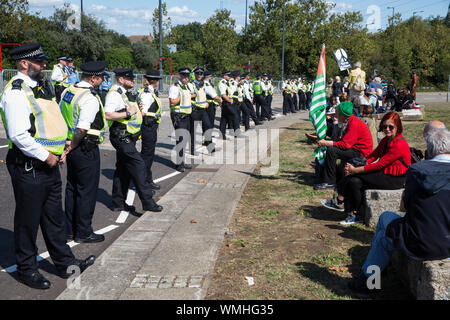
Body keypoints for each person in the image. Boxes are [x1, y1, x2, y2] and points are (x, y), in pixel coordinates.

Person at [0, 43, 95, 289]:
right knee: (28, 221)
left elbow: (49, 121)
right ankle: (27, 270)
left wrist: (62, 145)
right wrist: (47, 156)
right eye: (39, 62)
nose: (44, 65)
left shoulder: (40, 88)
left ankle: (64, 263)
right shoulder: (16, 92)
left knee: (54, 219)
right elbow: (19, 135)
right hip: (30, 165)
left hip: (49, 163)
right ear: (24, 63)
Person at [348, 128, 450, 297]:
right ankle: (376, 271)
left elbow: (406, 206)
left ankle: (370, 280)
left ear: (430, 149)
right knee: (386, 223)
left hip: (421, 242)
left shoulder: (417, 171)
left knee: (385, 227)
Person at [322, 112, 410, 225]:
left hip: (394, 179)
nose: (387, 129)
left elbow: (380, 164)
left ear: (398, 127)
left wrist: (355, 170)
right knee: (354, 182)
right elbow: (373, 156)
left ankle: (339, 200)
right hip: (384, 174)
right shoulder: (385, 140)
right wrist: (361, 163)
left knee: (353, 175)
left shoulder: (399, 144)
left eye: (391, 127)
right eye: (384, 126)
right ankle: (355, 214)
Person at [59, 61, 108, 243]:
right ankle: (83, 231)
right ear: (93, 78)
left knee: (72, 188)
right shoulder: (89, 98)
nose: (103, 80)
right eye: (101, 77)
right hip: (84, 148)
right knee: (86, 191)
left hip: (71, 147)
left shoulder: (69, 91)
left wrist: (67, 146)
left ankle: (69, 229)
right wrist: (72, 146)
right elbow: (81, 129)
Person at [105, 68, 162, 212]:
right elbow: (108, 114)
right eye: (129, 78)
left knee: (122, 169)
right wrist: (128, 112)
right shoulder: (115, 94)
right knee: (139, 166)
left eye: (133, 78)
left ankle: (118, 202)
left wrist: (138, 110)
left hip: (128, 136)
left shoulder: (125, 94)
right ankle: (147, 201)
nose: (133, 81)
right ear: (121, 80)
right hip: (121, 136)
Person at [314, 101, 373, 190]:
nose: (336, 115)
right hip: (355, 149)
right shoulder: (350, 121)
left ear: (343, 115)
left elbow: (345, 144)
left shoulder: (354, 123)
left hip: (361, 152)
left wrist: (327, 143)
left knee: (332, 151)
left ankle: (329, 182)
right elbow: (344, 141)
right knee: (331, 149)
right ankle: (327, 177)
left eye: (337, 113)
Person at [137, 70, 163, 190]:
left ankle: (146, 179)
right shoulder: (147, 94)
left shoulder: (150, 92)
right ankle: (144, 182)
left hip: (151, 126)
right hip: (148, 127)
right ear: (156, 81)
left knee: (148, 155)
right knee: (147, 155)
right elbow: (143, 113)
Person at [169, 68, 196, 171]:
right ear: (180, 76)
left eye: (187, 76)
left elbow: (192, 95)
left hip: (187, 116)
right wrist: (181, 96)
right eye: (184, 76)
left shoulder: (187, 87)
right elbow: (172, 102)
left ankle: (182, 161)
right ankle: (179, 164)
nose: (186, 78)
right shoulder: (175, 87)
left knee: (184, 140)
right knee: (180, 140)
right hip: (179, 117)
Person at [190, 67, 216, 154]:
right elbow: (187, 95)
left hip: (203, 110)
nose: (199, 75)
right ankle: (192, 150)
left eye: (201, 74)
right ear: (195, 74)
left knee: (208, 126)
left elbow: (212, 94)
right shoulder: (191, 84)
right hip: (194, 110)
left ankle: (210, 146)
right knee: (193, 131)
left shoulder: (205, 83)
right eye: (197, 73)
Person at [203, 70, 222, 135]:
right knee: (210, 122)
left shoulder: (204, 83)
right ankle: (208, 138)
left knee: (207, 122)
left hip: (208, 104)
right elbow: (214, 96)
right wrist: (220, 100)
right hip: (210, 106)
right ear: (209, 77)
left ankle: (207, 137)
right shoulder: (207, 84)